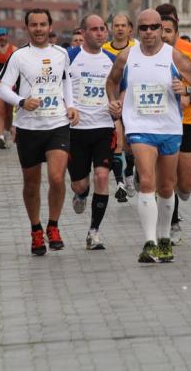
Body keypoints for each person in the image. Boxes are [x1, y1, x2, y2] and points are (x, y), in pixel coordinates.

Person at [106, 9, 191, 263]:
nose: (150, 32)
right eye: (145, 28)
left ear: (162, 30)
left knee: (166, 186)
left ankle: (164, 239)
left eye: (156, 27)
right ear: (136, 31)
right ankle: (150, 242)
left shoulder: (175, 56)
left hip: (170, 128)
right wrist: (113, 103)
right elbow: (112, 81)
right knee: (147, 180)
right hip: (140, 127)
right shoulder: (126, 56)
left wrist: (186, 89)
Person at [0, 9, 80, 255]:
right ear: (27, 28)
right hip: (28, 127)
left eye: (43, 24)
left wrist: (71, 105)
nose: (39, 29)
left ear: (50, 26)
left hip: (57, 124)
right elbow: (3, 89)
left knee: (57, 178)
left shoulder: (61, 53)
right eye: (34, 25)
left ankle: (53, 226)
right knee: (31, 184)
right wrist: (22, 102)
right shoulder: (19, 56)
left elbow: (66, 82)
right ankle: (36, 230)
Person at [156, 4, 191, 244]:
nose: (164, 35)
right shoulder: (147, 55)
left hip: (187, 121)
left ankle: (177, 198)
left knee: (185, 184)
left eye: (168, 30)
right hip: (159, 123)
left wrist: (189, 93)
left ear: (176, 33)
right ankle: (172, 221)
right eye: (161, 30)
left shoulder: (188, 53)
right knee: (168, 178)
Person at [67, 14, 117, 250]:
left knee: (103, 176)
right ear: (84, 33)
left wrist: (118, 103)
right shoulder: (70, 57)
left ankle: (94, 232)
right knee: (80, 184)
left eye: (102, 29)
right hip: (76, 129)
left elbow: (123, 87)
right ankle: (81, 194)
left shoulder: (113, 60)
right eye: (94, 29)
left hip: (103, 126)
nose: (99, 33)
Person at [103, 13, 138, 201]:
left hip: (133, 102)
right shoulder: (104, 50)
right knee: (117, 143)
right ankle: (120, 184)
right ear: (111, 28)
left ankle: (130, 172)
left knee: (130, 145)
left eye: (123, 25)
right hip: (113, 102)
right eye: (116, 25)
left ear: (130, 29)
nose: (120, 29)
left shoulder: (138, 48)